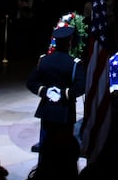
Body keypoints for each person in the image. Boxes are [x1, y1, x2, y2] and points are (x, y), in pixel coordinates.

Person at [26, 24, 86, 153]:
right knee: (64, 149)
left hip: (47, 110)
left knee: (46, 145)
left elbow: (31, 83)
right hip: (65, 111)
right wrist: (63, 94)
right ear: (69, 43)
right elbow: (81, 87)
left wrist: (46, 91)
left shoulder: (44, 60)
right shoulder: (74, 63)